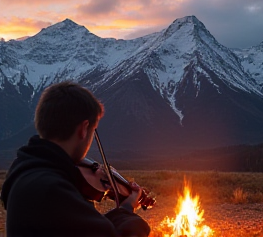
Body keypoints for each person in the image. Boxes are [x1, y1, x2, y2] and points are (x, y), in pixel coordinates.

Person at [1, 81, 151, 237]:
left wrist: (126, 208)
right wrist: (131, 218)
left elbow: (85, 229)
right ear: (83, 129)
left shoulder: (27, 172)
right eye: (93, 132)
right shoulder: (51, 190)